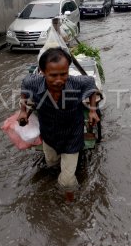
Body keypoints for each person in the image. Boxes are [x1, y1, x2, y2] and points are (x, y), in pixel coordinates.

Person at [18, 47, 100, 197]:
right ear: (42, 72)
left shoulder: (76, 83)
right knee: (51, 164)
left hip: (72, 135)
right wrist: (23, 111)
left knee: (67, 182)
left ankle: (69, 199)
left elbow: (90, 83)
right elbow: (24, 87)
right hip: (49, 134)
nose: (59, 80)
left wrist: (93, 110)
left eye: (64, 74)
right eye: (53, 75)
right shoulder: (34, 83)